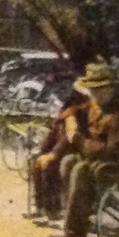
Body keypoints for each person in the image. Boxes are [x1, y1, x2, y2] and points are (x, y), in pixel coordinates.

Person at [47, 61, 119, 237]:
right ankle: (77, 219)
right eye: (92, 90)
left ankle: (74, 232)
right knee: (68, 161)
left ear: (112, 88)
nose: (95, 94)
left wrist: (78, 139)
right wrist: (70, 117)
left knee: (80, 170)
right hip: (104, 166)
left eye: (100, 89)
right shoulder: (99, 104)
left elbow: (113, 151)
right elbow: (79, 110)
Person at [30, 85, 91, 221]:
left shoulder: (79, 115)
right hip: (61, 151)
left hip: (72, 152)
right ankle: (40, 205)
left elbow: (68, 140)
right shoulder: (66, 114)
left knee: (50, 165)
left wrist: (54, 154)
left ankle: (51, 209)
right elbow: (52, 134)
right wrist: (43, 150)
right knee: (38, 162)